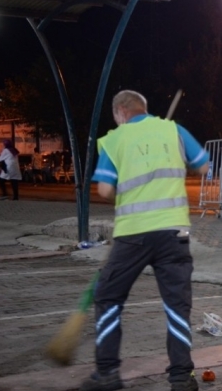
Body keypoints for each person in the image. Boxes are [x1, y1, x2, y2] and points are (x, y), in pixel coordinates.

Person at [81, 90, 209, 391]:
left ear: (121, 111)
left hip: (132, 234)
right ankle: (181, 378)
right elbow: (203, 166)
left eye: (115, 116)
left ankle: (108, 374)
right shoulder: (173, 130)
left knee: (108, 298)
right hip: (175, 234)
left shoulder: (115, 139)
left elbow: (104, 191)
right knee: (177, 306)